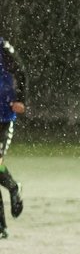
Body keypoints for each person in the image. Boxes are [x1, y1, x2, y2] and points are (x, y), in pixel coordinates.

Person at [0, 37, 27, 240]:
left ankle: (13, 186)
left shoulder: (2, 46)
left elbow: (20, 71)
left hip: (3, 116)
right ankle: (1, 227)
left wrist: (20, 99)